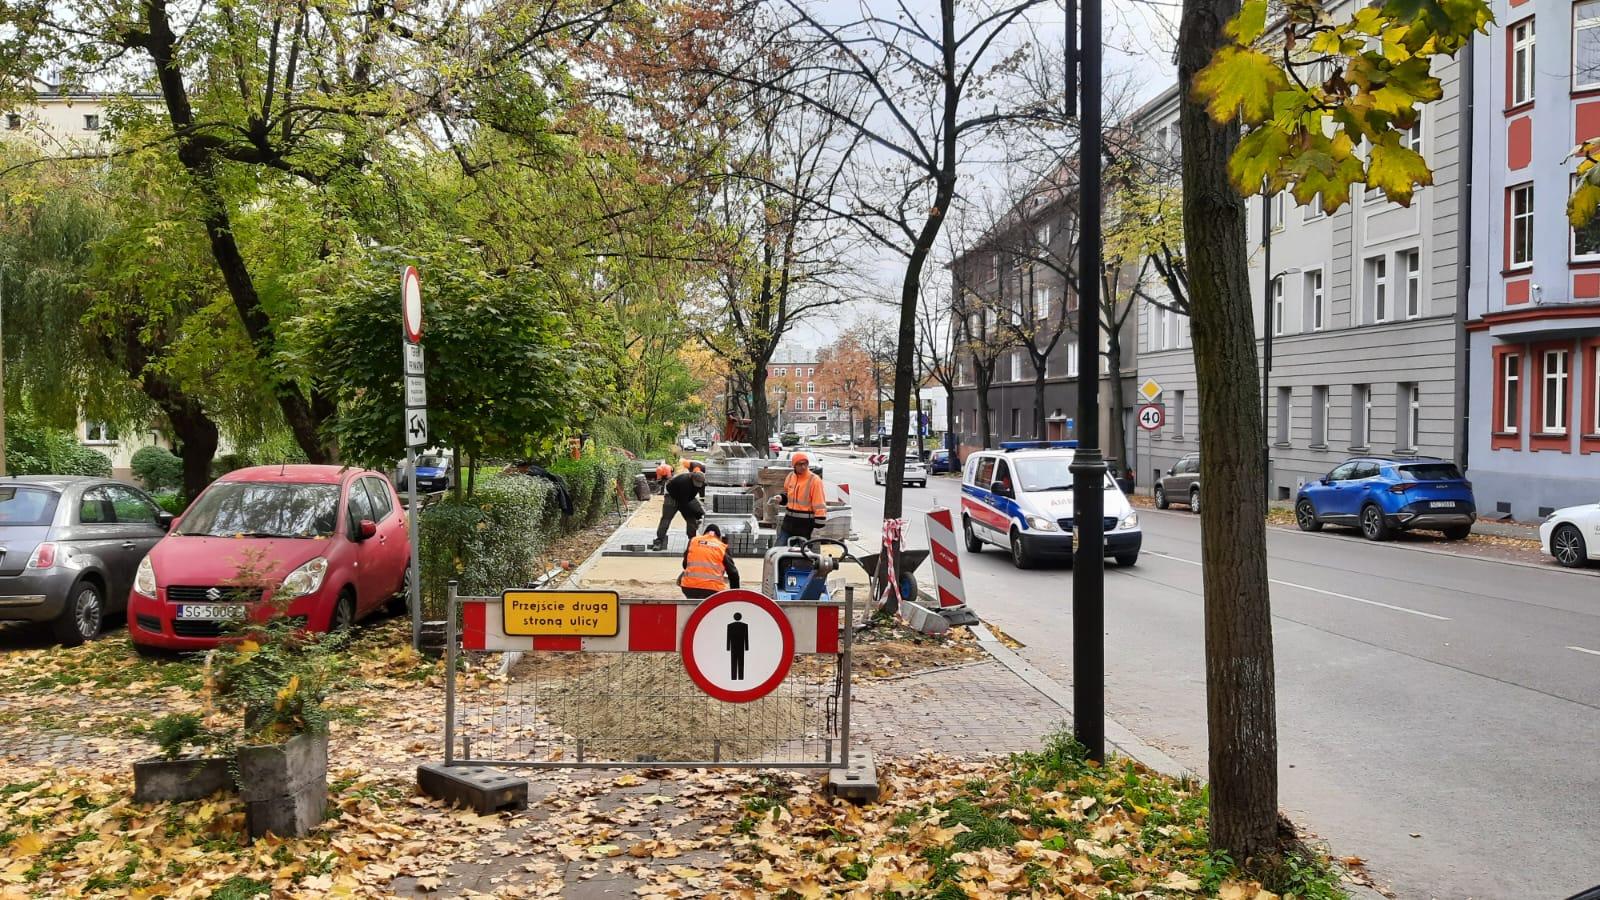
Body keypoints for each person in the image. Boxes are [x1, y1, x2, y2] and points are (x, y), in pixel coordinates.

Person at [775, 452, 827, 547]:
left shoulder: (814, 480)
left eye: (805, 464)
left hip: (805, 526)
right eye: (800, 464)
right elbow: (789, 495)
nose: (803, 467)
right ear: (794, 465)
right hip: (788, 524)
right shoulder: (790, 477)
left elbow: (819, 503)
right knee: (778, 551)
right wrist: (782, 498)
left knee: (802, 556)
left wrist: (818, 525)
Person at [678, 524, 741, 599]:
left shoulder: (693, 541)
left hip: (689, 588)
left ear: (704, 534)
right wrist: (736, 596)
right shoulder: (721, 547)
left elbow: (685, 565)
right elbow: (733, 573)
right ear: (719, 537)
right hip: (713, 590)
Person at [651, 469, 705, 551]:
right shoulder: (683, 481)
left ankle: (692, 541)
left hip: (687, 497)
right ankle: (659, 540)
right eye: (696, 483)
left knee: (691, 520)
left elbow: (699, 495)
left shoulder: (701, 481)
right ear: (692, 478)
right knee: (666, 518)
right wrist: (693, 513)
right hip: (671, 496)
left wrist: (699, 512)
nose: (698, 485)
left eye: (700, 484)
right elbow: (684, 504)